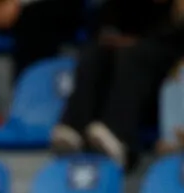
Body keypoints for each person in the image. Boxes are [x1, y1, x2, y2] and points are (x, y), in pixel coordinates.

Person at [50, 0, 184, 168]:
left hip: (166, 77)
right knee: (95, 54)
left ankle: (118, 136)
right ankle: (74, 127)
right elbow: (105, 28)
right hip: (125, 64)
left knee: (133, 56)